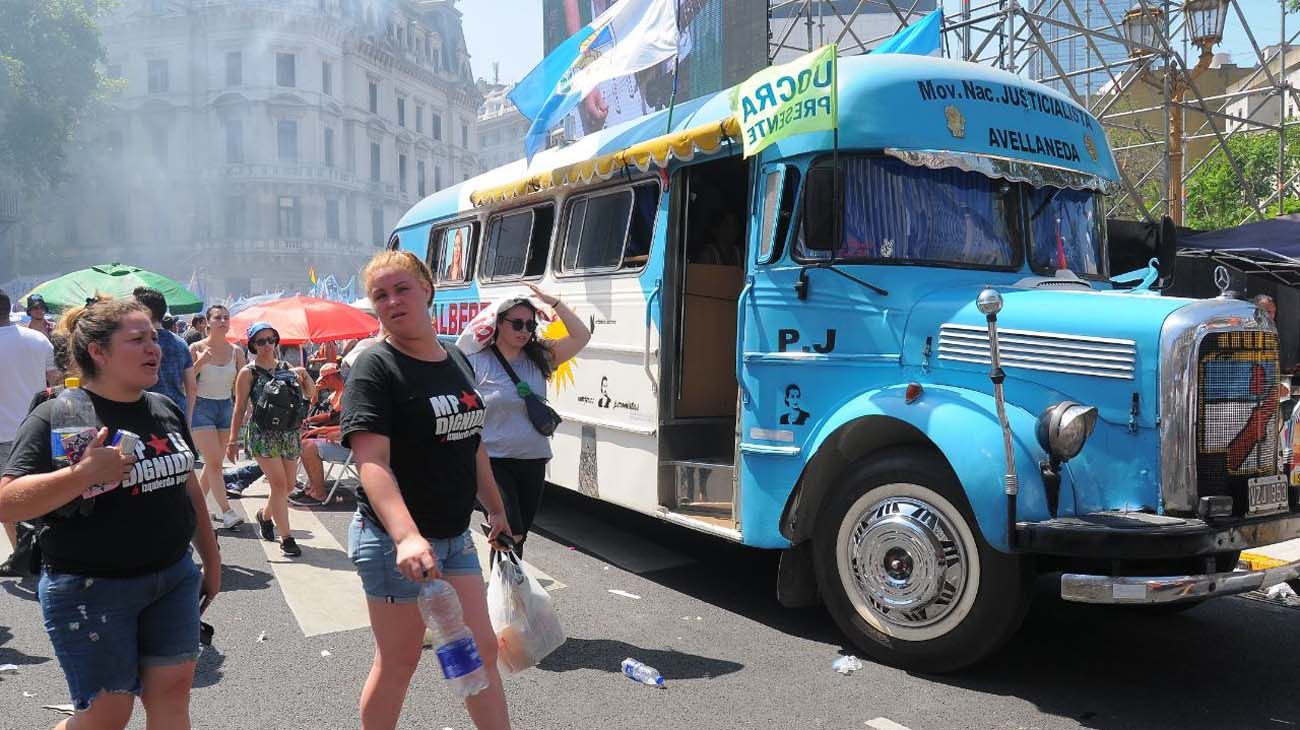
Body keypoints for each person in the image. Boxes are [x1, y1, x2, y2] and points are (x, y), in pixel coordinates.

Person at [0, 296, 221, 730]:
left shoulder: (163, 407)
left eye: (154, 338)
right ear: (97, 352)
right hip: (90, 589)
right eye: (137, 340)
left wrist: (210, 560)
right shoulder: (57, 414)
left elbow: (188, 487)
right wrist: (82, 474)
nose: (154, 349)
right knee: (105, 718)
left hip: (173, 578)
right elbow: (7, 501)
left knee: (173, 698)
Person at [341, 250, 512, 730]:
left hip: (456, 539)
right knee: (399, 664)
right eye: (381, 295)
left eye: (402, 289)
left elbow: (470, 439)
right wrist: (406, 536)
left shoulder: (456, 358)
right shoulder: (376, 367)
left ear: (428, 290)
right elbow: (372, 462)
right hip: (394, 545)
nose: (393, 301)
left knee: (480, 652)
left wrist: (496, 508)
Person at [460, 286, 591, 557]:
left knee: (517, 539)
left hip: (533, 460)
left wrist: (555, 302)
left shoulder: (540, 358)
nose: (524, 330)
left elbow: (581, 336)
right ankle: (506, 596)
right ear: (498, 322)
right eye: (517, 323)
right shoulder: (475, 362)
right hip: (493, 461)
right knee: (510, 532)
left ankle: (508, 594)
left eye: (530, 325)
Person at [228, 322, 314, 557]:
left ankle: (264, 516)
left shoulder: (288, 368)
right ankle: (287, 538)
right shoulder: (248, 372)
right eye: (261, 341)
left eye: (270, 339)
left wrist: (305, 378)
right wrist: (232, 440)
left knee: (286, 486)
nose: (267, 345)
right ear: (253, 346)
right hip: (262, 434)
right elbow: (239, 408)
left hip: (289, 433)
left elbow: (309, 395)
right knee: (278, 485)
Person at [0, 288, 60, 576]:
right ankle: (44, 552)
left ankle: (22, 556)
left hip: (3, 434)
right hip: (39, 426)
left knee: (8, 501)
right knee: (42, 493)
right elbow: (55, 381)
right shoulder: (39, 339)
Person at [190, 305, 246, 530]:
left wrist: (245, 408)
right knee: (214, 462)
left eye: (226, 317)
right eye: (217, 318)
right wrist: (200, 362)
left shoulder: (237, 351)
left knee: (213, 463)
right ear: (208, 322)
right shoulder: (196, 347)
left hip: (225, 407)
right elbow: (185, 380)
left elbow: (244, 384)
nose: (223, 321)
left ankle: (196, 508)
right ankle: (227, 511)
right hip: (201, 406)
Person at [133, 287, 196, 420]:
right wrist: (188, 420)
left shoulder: (135, 343)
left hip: (144, 414)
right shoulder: (181, 343)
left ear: (145, 311)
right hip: (177, 413)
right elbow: (192, 386)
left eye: (133, 308)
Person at [290, 363, 347, 507]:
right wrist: (310, 421)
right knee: (301, 440)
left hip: (344, 441)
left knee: (305, 444)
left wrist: (318, 431)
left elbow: (345, 425)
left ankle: (318, 492)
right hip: (336, 435)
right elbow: (328, 414)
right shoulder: (336, 394)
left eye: (324, 379)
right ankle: (313, 487)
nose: (323, 382)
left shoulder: (347, 395)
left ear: (332, 377)